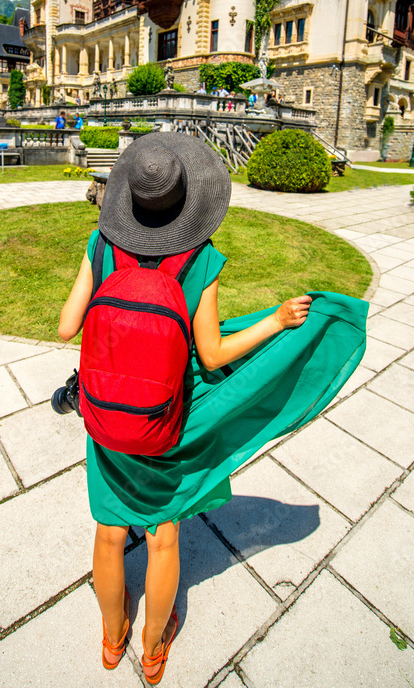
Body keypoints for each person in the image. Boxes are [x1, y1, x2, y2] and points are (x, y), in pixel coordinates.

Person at [58, 133, 367, 683]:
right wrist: (275, 320)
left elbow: (66, 328)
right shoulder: (199, 260)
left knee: (109, 532)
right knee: (162, 534)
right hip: (166, 419)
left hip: (105, 419)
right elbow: (211, 353)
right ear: (187, 202)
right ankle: (153, 652)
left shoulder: (99, 247)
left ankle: (111, 640)